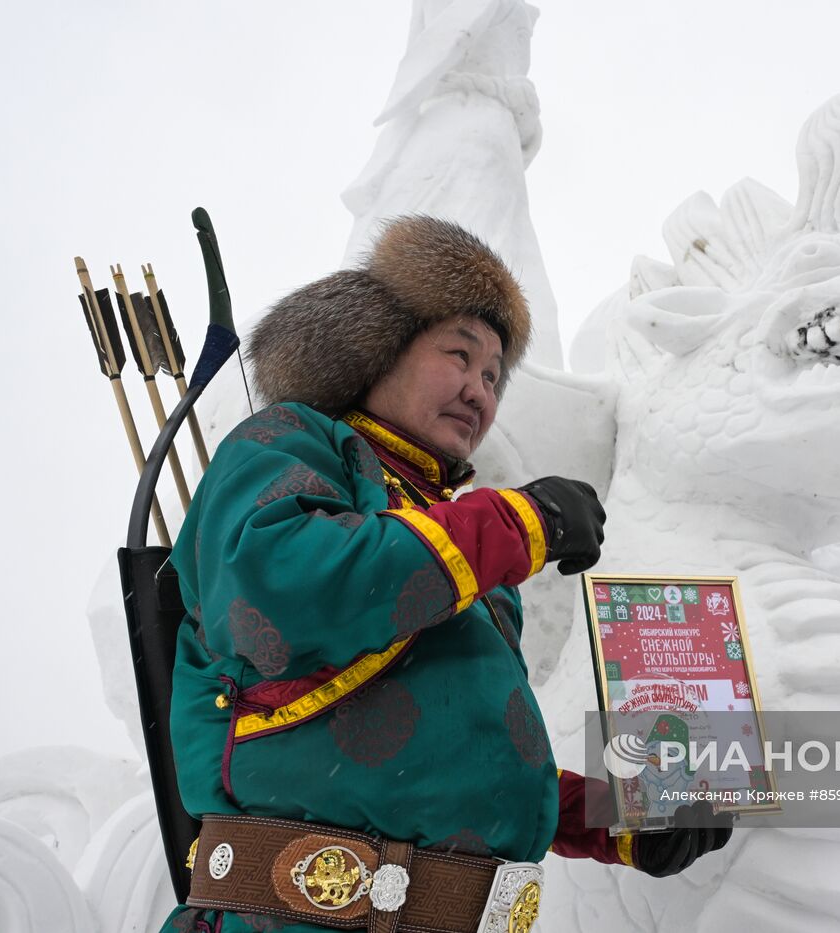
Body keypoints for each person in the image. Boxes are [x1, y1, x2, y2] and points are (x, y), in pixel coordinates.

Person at [158, 216, 730, 933]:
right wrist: (516, 524)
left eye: (494, 375)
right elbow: (282, 591)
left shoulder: (472, 566)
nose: (479, 390)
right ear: (375, 348)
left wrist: (622, 818)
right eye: (459, 355)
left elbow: (473, 763)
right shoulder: (286, 443)